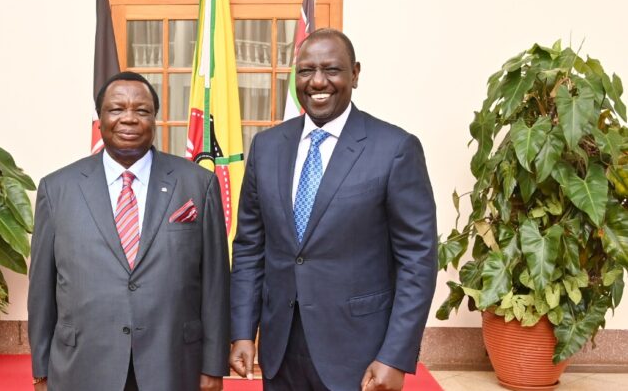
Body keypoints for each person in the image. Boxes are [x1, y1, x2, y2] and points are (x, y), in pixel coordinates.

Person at [229, 29, 437, 391]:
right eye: (307, 70)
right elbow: (249, 247)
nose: (318, 81)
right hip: (281, 349)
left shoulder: (395, 148)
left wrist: (395, 355)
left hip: (359, 352)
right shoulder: (266, 147)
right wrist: (243, 332)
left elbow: (417, 260)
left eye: (332, 70)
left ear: (354, 74)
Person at [28, 72, 230, 391]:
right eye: (117, 109)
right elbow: (41, 286)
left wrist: (214, 364)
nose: (129, 119)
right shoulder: (57, 189)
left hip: (172, 363)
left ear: (154, 119)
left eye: (141, 110)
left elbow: (215, 281)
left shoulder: (197, 184)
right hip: (83, 364)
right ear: (100, 119)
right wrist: (40, 368)